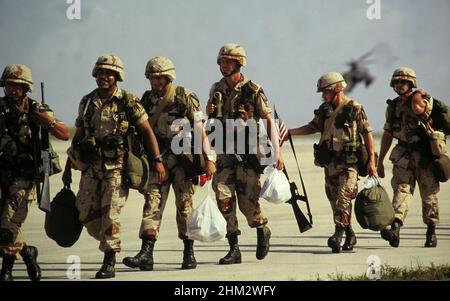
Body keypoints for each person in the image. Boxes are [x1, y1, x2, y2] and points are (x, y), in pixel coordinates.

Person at [62, 54, 165, 279]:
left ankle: (109, 260)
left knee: (111, 212)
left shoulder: (128, 101)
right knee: (85, 212)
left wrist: (156, 160)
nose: (104, 77)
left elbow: (147, 131)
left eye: (108, 73)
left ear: (117, 76)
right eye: (100, 73)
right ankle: (110, 241)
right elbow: (79, 134)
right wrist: (69, 166)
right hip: (90, 166)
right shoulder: (87, 101)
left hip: (116, 167)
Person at [122, 56, 216, 271]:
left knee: (185, 206)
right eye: (152, 78)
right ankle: (146, 253)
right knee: (152, 203)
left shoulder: (185, 96)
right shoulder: (146, 100)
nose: (155, 82)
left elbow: (200, 129)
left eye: (159, 78)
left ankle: (188, 253)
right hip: (159, 160)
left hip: (184, 160)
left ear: (168, 77)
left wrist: (209, 159)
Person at [206, 43, 283, 264]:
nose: (223, 65)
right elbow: (211, 119)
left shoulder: (253, 90)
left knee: (248, 201)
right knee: (223, 197)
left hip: (248, 153)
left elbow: (269, 121)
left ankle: (262, 229)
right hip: (224, 152)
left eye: (228, 61)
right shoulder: (216, 88)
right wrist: (209, 112)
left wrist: (277, 152)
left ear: (238, 63)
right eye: (221, 61)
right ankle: (234, 248)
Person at [288, 72, 376, 253]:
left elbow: (367, 133)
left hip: (349, 163)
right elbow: (312, 127)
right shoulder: (324, 110)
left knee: (344, 197)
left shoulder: (354, 108)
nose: (323, 95)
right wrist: (289, 132)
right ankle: (350, 233)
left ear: (337, 89)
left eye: (326, 91)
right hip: (330, 164)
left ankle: (338, 234)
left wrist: (372, 162)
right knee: (334, 200)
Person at [0, 64, 70, 281]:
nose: (11, 90)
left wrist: (47, 122)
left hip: (25, 176)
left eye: (16, 86)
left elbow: (65, 134)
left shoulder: (36, 109)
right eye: (9, 85)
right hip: (3, 173)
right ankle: (27, 252)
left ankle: (7, 270)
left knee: (9, 223)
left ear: (26, 88)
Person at [378, 67, 441, 248]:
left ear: (411, 83)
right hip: (403, 154)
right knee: (401, 191)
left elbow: (418, 109)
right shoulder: (393, 106)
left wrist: (416, 95)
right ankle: (395, 228)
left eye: (403, 82)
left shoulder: (421, 100)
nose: (399, 85)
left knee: (428, 195)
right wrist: (380, 160)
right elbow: (388, 133)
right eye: (396, 82)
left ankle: (431, 231)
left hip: (424, 155)